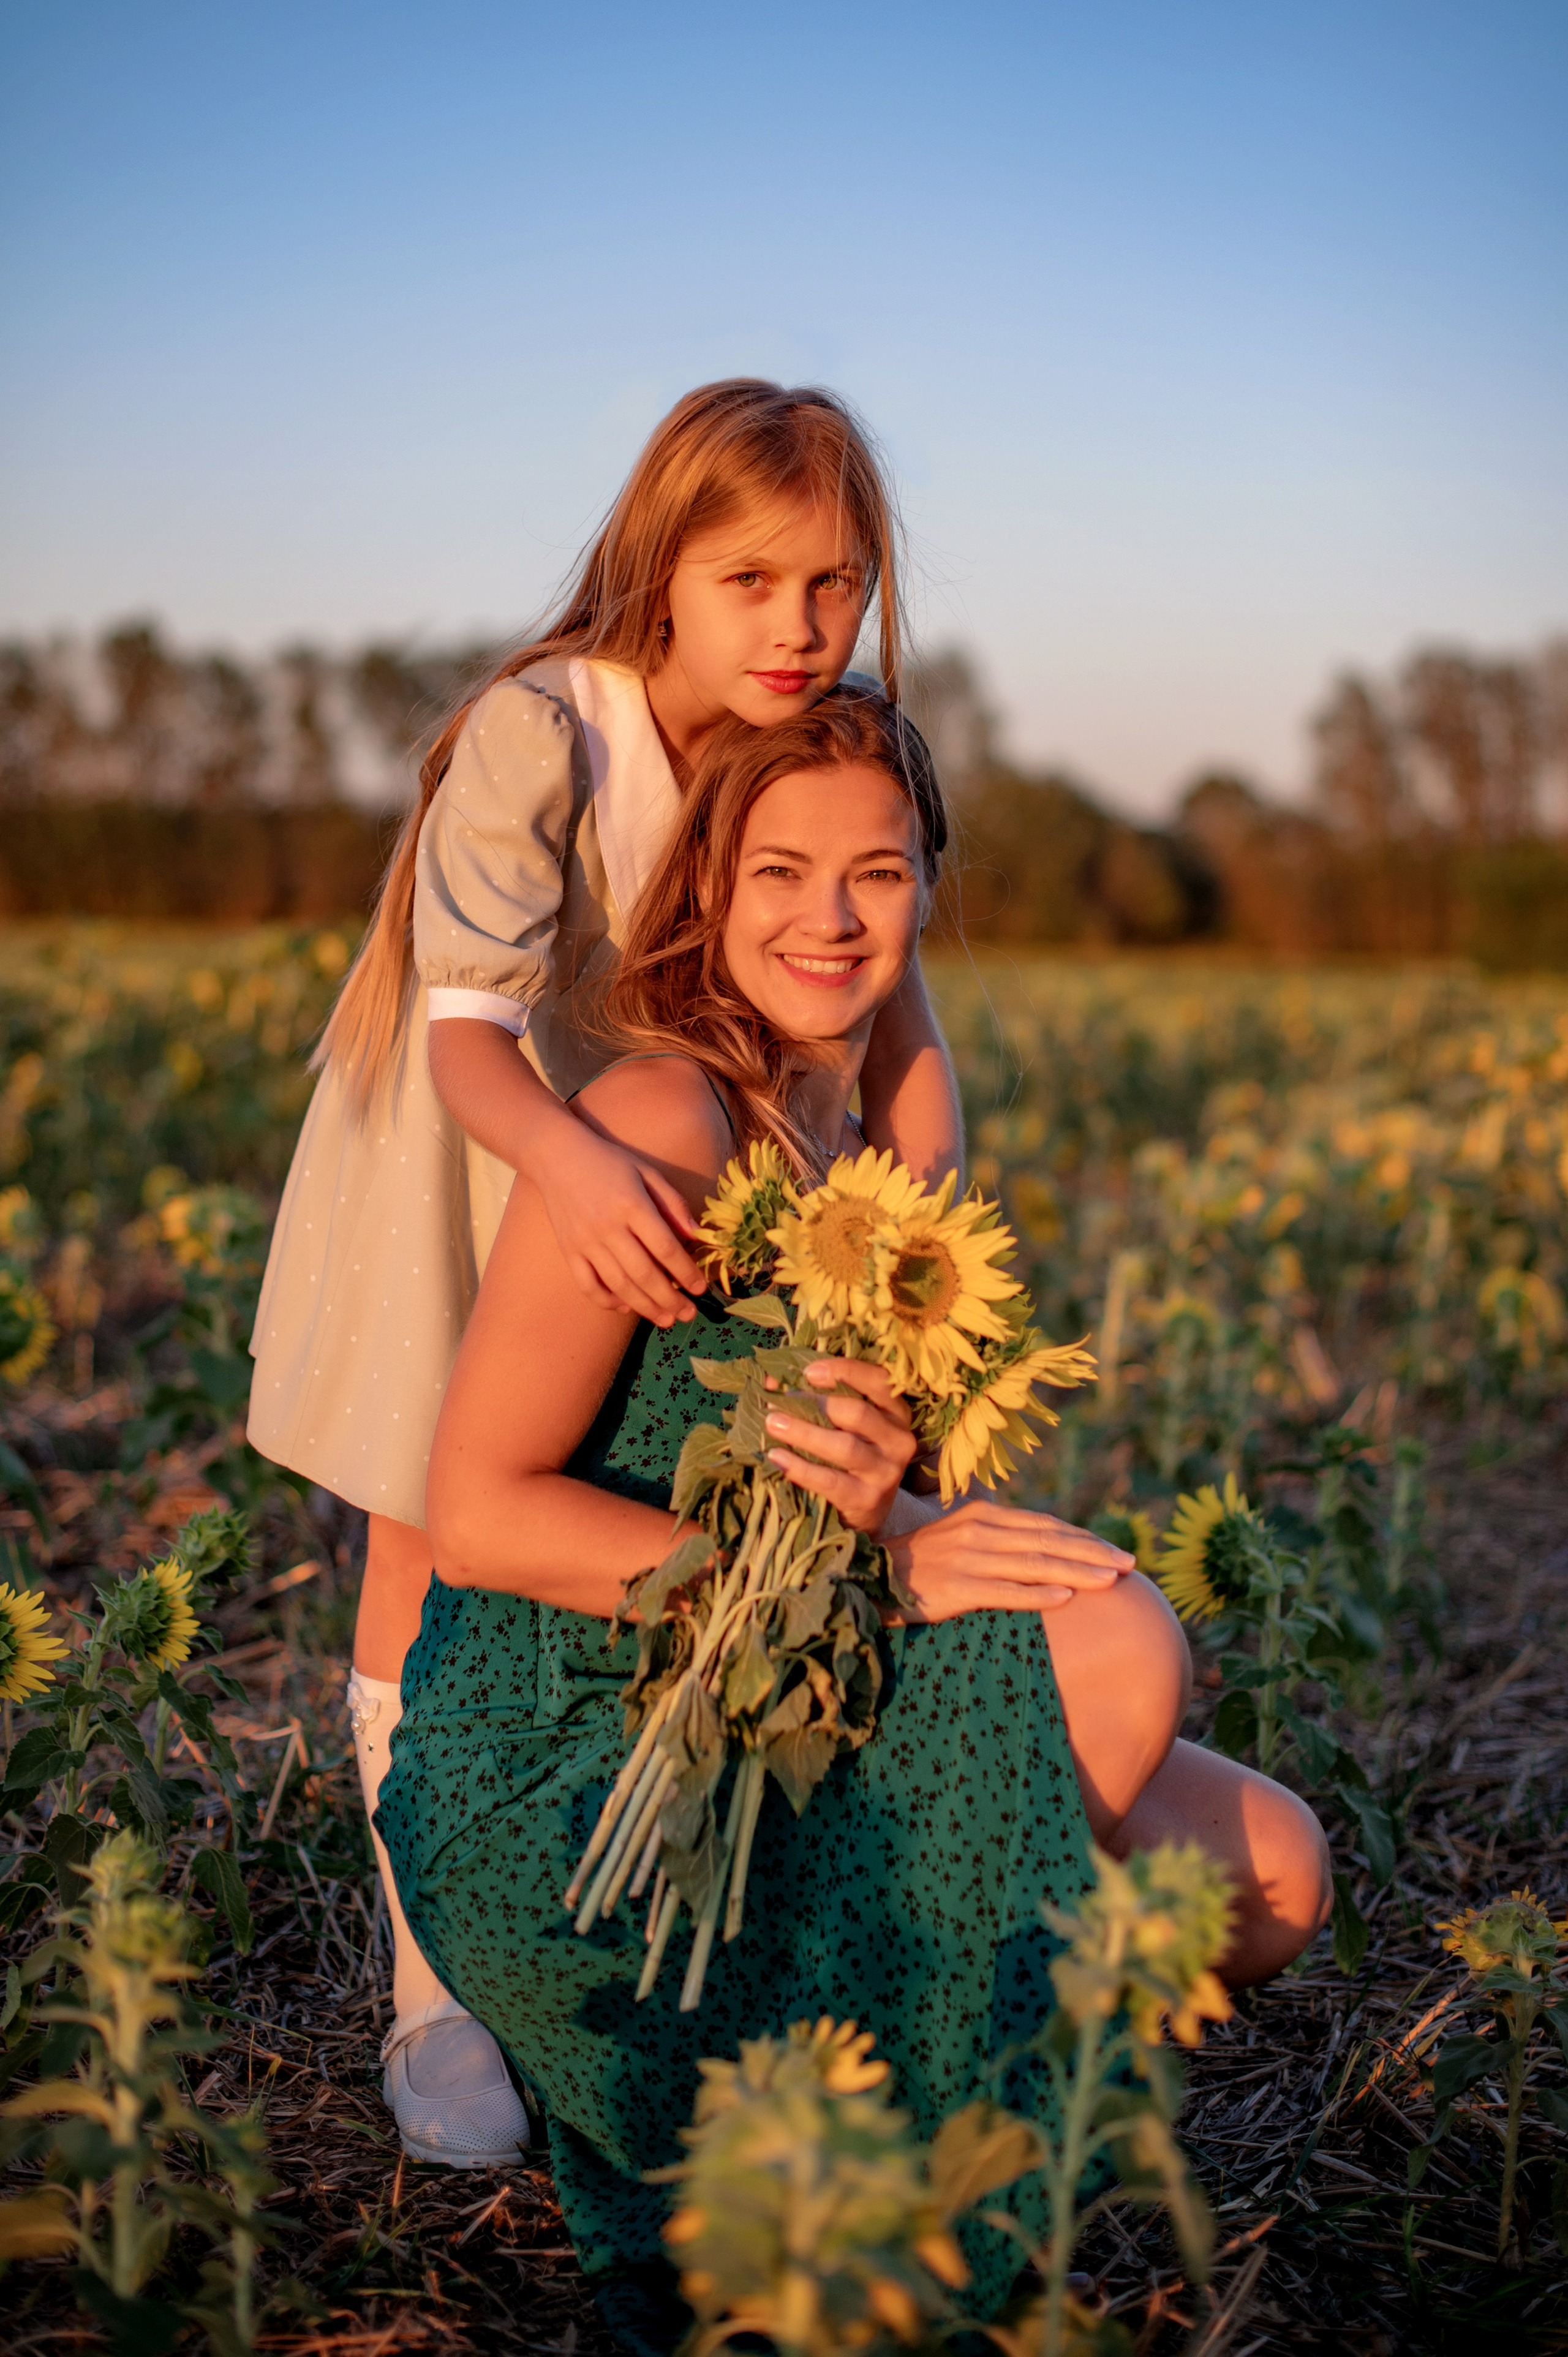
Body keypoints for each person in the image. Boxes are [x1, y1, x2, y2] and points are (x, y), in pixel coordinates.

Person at [375, 690, 1331, 2337]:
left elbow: (908, 1476)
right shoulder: (662, 1119)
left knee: (1272, 1879)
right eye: (779, 872)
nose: (828, 917)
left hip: (778, 1688)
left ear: (926, 890)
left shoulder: (882, 1164)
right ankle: (870, 2115)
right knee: (1115, 1649)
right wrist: (871, 1582)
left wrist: (892, 1517)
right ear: (707, 889)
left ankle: (889, 2017)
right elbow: (477, 1519)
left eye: (876, 874)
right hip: (589, 1746)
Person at [246, 383, 964, 2162]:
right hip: (478, 1158)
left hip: (650, 1171)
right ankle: (433, 1999)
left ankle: (591, 1907)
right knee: (427, 1541)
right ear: (662, 567)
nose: (799, 624)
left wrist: (910, 1270)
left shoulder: (806, 746)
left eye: (837, 582)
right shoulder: (542, 731)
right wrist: (568, 1162)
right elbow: (468, 1041)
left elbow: (910, 1050)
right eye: (751, 581)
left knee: (611, 1534)